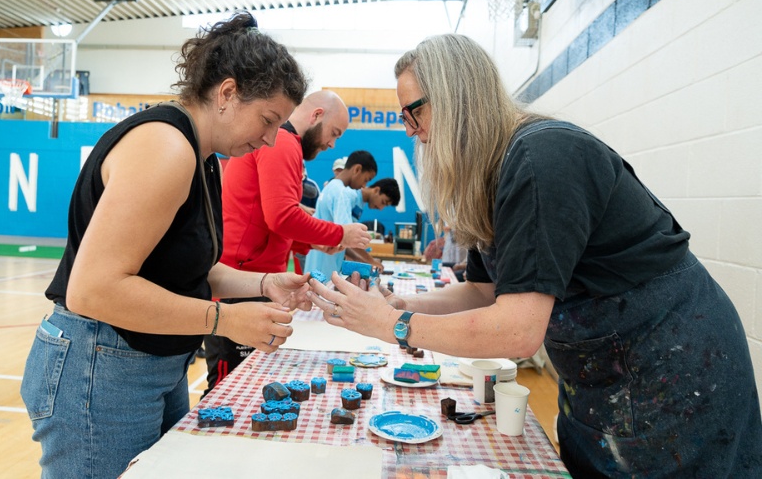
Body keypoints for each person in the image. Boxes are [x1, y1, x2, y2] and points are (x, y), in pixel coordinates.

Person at [307, 33, 762, 477]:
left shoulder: (541, 157)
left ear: (457, 97)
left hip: (670, 367)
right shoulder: (491, 174)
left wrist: (393, 326)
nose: (414, 133)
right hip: (600, 376)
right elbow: (484, 292)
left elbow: (518, 330)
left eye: (414, 113)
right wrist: (404, 305)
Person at [19, 11, 315, 479]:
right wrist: (226, 318)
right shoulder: (166, 147)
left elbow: (189, 268)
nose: (270, 138)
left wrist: (264, 283)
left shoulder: (202, 156)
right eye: (267, 119)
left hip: (147, 366)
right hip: (100, 368)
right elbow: (93, 290)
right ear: (227, 93)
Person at [203, 91, 370, 395]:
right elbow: (281, 216)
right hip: (242, 284)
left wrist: (312, 245)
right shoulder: (281, 143)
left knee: (247, 384)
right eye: (334, 133)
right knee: (227, 389)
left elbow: (272, 220)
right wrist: (339, 234)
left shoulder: (284, 145)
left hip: (256, 281)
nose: (332, 144)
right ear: (316, 115)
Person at [304, 150, 378, 277]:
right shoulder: (341, 193)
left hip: (315, 263)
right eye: (366, 179)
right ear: (357, 169)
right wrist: (370, 261)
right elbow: (348, 237)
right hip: (325, 270)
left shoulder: (330, 187)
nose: (364, 185)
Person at [344, 178, 402, 270]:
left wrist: (362, 258)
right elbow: (347, 236)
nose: (380, 208)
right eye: (383, 202)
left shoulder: (360, 202)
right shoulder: (352, 196)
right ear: (376, 190)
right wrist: (370, 261)